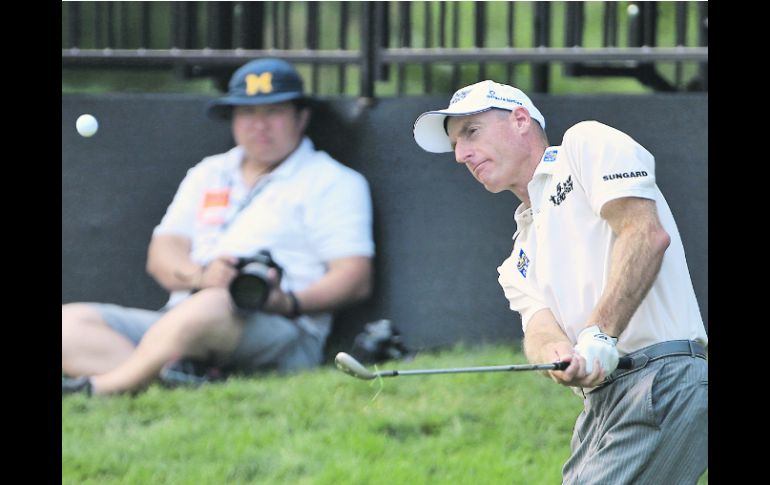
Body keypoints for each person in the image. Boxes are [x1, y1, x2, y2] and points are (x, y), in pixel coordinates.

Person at [412, 80, 707, 484]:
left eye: (471, 132)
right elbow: (539, 328)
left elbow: (644, 233)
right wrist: (558, 356)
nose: (461, 154)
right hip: (600, 406)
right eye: (456, 145)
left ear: (519, 120)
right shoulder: (516, 259)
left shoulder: (584, 144)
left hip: (662, 378)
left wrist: (600, 336)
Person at [62, 58, 375, 396]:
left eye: (273, 112)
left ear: (301, 117)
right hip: (178, 314)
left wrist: (285, 300)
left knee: (211, 305)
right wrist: (202, 276)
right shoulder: (209, 171)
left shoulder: (333, 180)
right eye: (248, 113)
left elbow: (354, 277)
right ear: (234, 119)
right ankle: (170, 379)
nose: (260, 125)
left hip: (283, 327)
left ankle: (106, 387)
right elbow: (162, 253)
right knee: (69, 323)